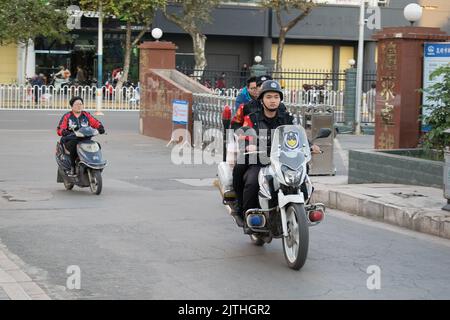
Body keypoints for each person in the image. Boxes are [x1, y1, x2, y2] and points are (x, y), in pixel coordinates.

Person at [230, 80, 321, 227]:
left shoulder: (285, 117)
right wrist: (247, 145)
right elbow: (243, 134)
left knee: (301, 176)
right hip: (259, 159)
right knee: (252, 181)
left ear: (280, 99)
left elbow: (295, 135)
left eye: (276, 97)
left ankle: (302, 208)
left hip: (281, 160)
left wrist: (310, 145)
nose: (273, 100)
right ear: (262, 100)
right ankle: (244, 211)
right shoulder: (252, 117)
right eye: (269, 97)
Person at [56, 96, 105, 175]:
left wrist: (100, 127)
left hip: (85, 139)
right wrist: (64, 132)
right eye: (77, 104)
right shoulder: (67, 116)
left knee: (96, 145)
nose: (79, 106)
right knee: (74, 147)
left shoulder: (86, 115)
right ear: (72, 106)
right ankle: (72, 167)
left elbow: (96, 122)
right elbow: (60, 129)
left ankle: (95, 163)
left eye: (81, 104)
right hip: (71, 139)